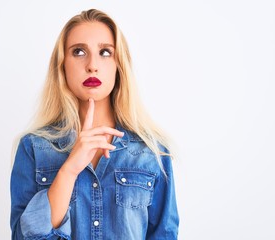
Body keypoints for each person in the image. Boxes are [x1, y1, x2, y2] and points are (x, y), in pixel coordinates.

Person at [10, 9, 179, 239]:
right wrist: (69, 170)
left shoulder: (151, 152)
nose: (92, 65)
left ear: (119, 65)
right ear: (62, 65)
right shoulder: (34, 148)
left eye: (105, 52)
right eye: (78, 52)